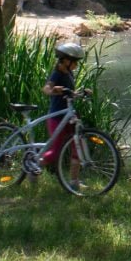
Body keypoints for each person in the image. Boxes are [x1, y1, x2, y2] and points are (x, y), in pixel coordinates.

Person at [39, 42, 85, 186]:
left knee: (78, 147)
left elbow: (70, 93)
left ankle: (74, 181)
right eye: (75, 62)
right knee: (54, 152)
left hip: (70, 115)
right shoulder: (56, 74)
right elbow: (46, 89)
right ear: (65, 60)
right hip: (57, 117)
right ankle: (35, 164)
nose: (76, 65)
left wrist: (81, 93)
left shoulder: (69, 73)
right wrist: (53, 90)